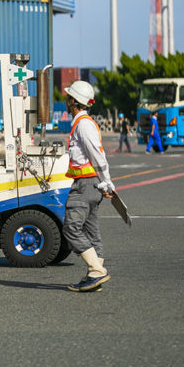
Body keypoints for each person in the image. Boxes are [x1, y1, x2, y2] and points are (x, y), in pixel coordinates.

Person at [63, 80, 116, 292]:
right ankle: (94, 277)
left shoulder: (83, 124)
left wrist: (107, 181)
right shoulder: (82, 123)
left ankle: (97, 271)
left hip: (86, 186)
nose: (66, 100)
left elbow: (97, 154)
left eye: (68, 97)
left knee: (71, 227)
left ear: (74, 101)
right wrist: (104, 183)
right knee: (91, 231)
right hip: (91, 185)